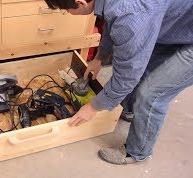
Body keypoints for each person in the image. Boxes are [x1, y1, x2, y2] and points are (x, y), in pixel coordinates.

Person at [44, 0, 193, 164]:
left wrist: (93, 107)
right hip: (178, 22)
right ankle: (128, 109)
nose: (67, 14)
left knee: (151, 94)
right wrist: (100, 57)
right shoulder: (119, 9)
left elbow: (128, 75)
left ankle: (137, 152)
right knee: (144, 68)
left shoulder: (131, 14)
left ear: (80, 2)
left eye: (65, 10)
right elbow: (113, 22)